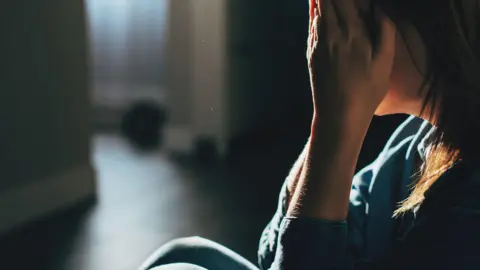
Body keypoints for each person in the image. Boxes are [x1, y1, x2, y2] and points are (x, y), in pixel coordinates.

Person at [139, 0, 480, 269]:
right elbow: (276, 251)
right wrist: (329, 120)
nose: (329, 28)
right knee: (185, 256)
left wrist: (337, 124)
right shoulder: (417, 141)